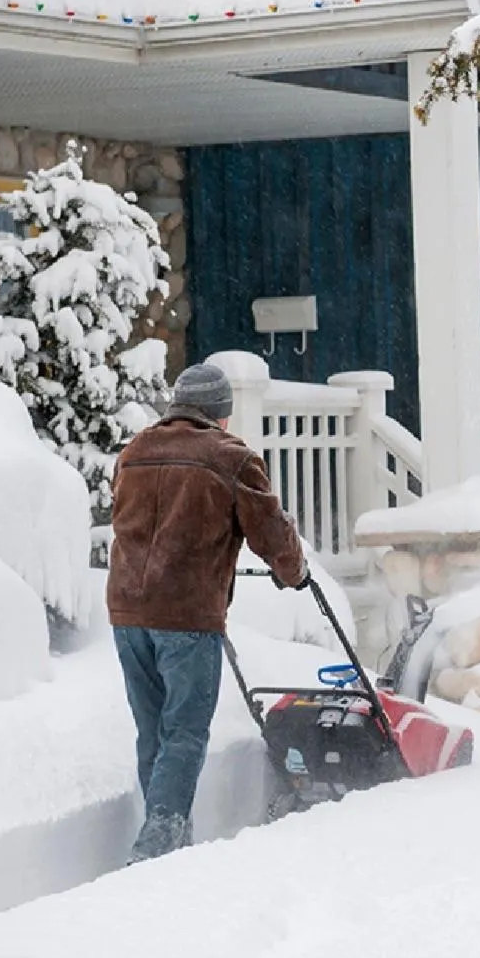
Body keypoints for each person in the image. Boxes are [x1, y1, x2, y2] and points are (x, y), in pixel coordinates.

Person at [107, 362, 308, 862]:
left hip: (127, 613)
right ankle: (156, 846)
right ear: (221, 414)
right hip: (185, 615)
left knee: (154, 731)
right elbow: (271, 531)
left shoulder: (135, 452)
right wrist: (293, 571)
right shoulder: (231, 458)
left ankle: (172, 841)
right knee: (185, 732)